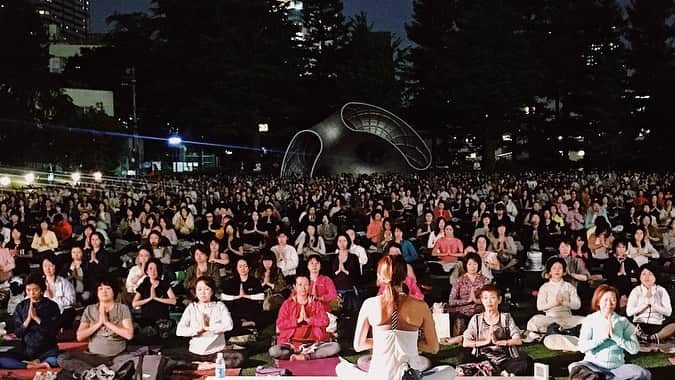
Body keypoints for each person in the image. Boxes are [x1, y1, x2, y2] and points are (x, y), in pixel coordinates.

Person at [336, 255, 453, 380]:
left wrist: (384, 341)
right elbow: (433, 347)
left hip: (379, 376)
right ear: (404, 278)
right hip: (410, 375)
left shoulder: (369, 304)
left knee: (342, 368)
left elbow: (359, 345)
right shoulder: (421, 306)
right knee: (449, 371)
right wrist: (408, 342)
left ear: (380, 277)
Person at [568, 284, 651, 380]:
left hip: (616, 369)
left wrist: (615, 337)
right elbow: (582, 347)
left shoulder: (623, 321)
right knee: (574, 367)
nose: (609, 303)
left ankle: (601, 378)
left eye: (613, 299)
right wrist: (603, 337)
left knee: (643, 373)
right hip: (593, 366)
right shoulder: (590, 319)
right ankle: (597, 377)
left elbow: (634, 349)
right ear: (598, 301)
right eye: (605, 299)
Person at [57, 279, 135, 376]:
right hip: (94, 357)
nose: (104, 291)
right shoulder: (90, 309)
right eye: (100, 289)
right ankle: (96, 373)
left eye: (108, 288)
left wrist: (107, 322)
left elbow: (129, 335)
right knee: (63, 358)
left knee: (133, 361)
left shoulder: (122, 308)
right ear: (97, 292)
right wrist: (99, 323)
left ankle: (100, 373)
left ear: (114, 291)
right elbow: (80, 336)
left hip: (118, 356)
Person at [461, 284, 532, 376]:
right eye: (485, 298)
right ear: (481, 300)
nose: (489, 301)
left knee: (526, 361)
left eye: (492, 297)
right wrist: (486, 341)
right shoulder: (476, 319)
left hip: (504, 360)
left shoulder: (506, 318)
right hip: (482, 360)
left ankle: (491, 372)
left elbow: (518, 340)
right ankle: (496, 372)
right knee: (464, 356)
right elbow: (465, 343)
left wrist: (498, 342)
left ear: (499, 300)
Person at [175, 276, 244, 368]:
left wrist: (210, 328)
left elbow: (229, 325)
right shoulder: (191, 308)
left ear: (212, 291)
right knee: (170, 358)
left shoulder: (219, 306)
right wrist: (196, 330)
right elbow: (179, 331)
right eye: (199, 289)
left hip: (216, 352)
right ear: (195, 292)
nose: (203, 293)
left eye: (206, 289)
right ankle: (202, 365)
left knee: (239, 358)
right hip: (195, 352)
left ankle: (211, 366)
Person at [269, 275, 341, 361]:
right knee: (274, 351)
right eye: (300, 285)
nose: (303, 288)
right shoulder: (288, 304)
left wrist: (309, 320)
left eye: (306, 284)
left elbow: (325, 321)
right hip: (291, 343)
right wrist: (297, 321)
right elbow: (280, 324)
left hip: (313, 343)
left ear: (309, 286)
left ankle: (306, 356)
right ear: (295, 287)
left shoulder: (316, 303)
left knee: (335, 347)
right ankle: (297, 353)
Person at [0, 274, 60, 369]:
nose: (31, 293)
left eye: (35, 290)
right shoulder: (21, 306)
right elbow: (18, 333)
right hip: (27, 350)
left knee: (60, 358)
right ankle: (29, 365)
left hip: (47, 349)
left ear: (41, 290)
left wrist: (36, 318)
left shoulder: (52, 306)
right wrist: (28, 319)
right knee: (1, 359)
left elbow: (53, 331)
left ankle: (40, 362)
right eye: (28, 290)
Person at [523, 258, 584, 349]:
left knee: (588, 320)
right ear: (550, 272)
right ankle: (544, 335)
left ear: (564, 271)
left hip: (568, 318)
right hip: (551, 318)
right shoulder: (545, 287)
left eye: (560, 268)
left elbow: (577, 305)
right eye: (554, 268)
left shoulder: (569, 286)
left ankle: (563, 333)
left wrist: (565, 302)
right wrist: (555, 302)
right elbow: (540, 306)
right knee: (535, 320)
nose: (557, 270)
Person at [627, 264, 675, 345]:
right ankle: (642, 336)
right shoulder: (636, 291)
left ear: (655, 276)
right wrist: (645, 303)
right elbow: (629, 312)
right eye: (644, 274)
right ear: (640, 277)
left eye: (650, 274)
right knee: (624, 321)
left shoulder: (661, 290)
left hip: (657, 324)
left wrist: (653, 304)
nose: (646, 277)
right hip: (639, 324)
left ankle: (653, 337)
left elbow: (668, 312)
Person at [131, 258, 177, 343]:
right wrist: (150, 299)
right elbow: (134, 303)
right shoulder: (144, 285)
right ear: (147, 271)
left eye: (155, 269)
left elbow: (173, 301)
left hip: (162, 320)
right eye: (150, 269)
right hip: (147, 319)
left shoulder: (164, 284)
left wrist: (156, 298)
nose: (153, 271)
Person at [448, 253, 490, 342]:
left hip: (479, 309)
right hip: (462, 311)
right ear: (465, 265)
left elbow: (489, 298)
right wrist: (467, 300)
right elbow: (451, 301)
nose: (472, 267)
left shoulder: (485, 280)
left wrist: (477, 300)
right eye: (469, 264)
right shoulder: (459, 280)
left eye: (475, 264)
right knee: (460, 321)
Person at [221, 258, 266, 331]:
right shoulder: (230, 281)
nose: (243, 269)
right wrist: (237, 297)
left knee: (264, 317)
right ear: (237, 268)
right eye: (240, 266)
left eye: (245, 266)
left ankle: (247, 324)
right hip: (236, 310)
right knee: (227, 319)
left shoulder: (255, 281)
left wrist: (246, 296)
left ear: (249, 268)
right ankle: (244, 324)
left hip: (251, 309)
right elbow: (224, 296)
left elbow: (261, 296)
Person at [41, 253, 76, 333]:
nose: (48, 269)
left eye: (51, 265)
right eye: (45, 266)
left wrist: (53, 298)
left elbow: (71, 300)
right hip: (44, 311)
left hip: (60, 311)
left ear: (55, 266)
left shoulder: (64, 282)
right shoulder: (39, 282)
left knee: (70, 312)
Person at [604, 239, 640, 303]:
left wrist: (626, 274)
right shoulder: (609, 261)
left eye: (623, 247)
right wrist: (618, 273)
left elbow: (638, 273)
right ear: (615, 248)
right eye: (619, 247)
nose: (621, 249)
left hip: (628, 285)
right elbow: (606, 274)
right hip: (614, 285)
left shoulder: (630, 261)